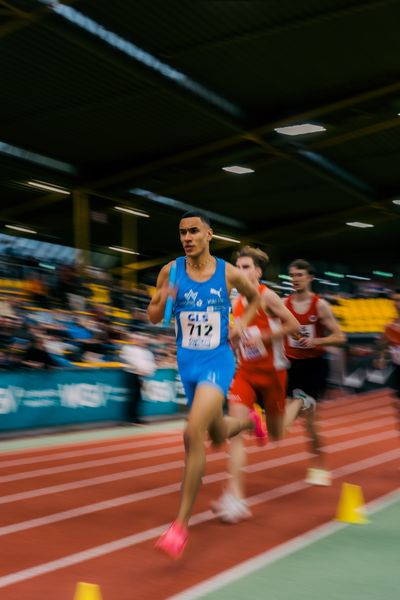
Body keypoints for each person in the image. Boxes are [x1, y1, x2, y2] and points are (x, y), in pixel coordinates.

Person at [147, 211, 263, 559]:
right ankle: (247, 422)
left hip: (218, 361)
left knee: (191, 433)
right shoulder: (171, 270)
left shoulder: (227, 272)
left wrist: (240, 322)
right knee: (214, 434)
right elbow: (154, 317)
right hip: (188, 365)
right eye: (182, 232)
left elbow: (255, 298)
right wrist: (160, 297)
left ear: (209, 234)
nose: (187, 237)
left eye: (194, 231)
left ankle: (180, 526)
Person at [212, 246, 302, 523]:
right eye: (238, 267)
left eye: (246, 267)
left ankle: (299, 402)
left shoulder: (267, 296)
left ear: (258, 272)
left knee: (277, 434)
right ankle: (235, 498)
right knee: (235, 436)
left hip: (274, 374)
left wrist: (263, 336)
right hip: (246, 373)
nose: (240, 272)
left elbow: (295, 326)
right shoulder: (236, 302)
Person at [284, 259, 346, 486]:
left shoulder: (320, 306)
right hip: (291, 365)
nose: (295, 278)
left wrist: (316, 340)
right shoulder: (283, 304)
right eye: (292, 275)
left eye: (300, 274)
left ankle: (319, 465)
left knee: (309, 420)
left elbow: (340, 337)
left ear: (310, 277)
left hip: (313, 366)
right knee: (303, 419)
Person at [120, 332, 156, 424]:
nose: (140, 341)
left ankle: (137, 417)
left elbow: (151, 364)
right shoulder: (127, 348)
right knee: (133, 396)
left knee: (139, 397)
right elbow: (129, 360)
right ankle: (130, 419)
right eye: (137, 339)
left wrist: (148, 371)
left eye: (142, 340)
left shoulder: (147, 352)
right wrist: (139, 369)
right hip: (132, 374)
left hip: (142, 376)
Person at [376, 290, 400, 431]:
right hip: (398, 369)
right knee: (396, 405)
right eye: (395, 300)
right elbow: (383, 344)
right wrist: (381, 357)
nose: (397, 304)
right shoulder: (389, 326)